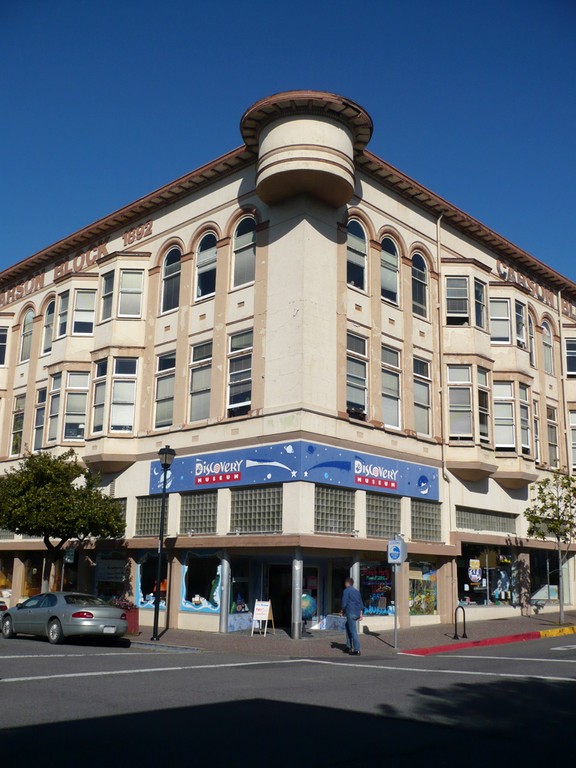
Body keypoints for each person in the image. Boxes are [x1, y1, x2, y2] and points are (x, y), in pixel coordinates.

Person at [340, 577, 363, 655]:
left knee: (353, 631)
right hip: (356, 612)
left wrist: (342, 610)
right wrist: (360, 614)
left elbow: (344, 602)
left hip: (350, 612)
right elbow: (361, 603)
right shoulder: (357, 592)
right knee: (348, 626)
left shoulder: (346, 591)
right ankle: (348, 646)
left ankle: (357, 649)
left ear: (347, 583)